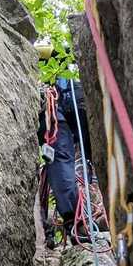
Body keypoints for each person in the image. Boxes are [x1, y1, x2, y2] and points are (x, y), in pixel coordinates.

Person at [38, 75, 91, 245]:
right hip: (57, 114)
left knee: (60, 160)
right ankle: (76, 222)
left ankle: (75, 220)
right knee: (61, 159)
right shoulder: (66, 81)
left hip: (60, 113)